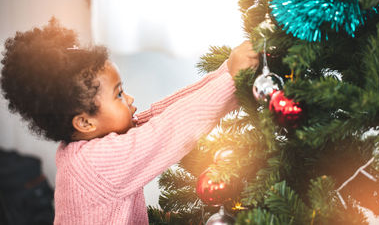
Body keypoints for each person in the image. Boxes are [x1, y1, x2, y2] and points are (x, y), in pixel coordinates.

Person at [0, 18, 259, 224]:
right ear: (85, 122)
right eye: (119, 94)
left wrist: (227, 72)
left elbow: (158, 117)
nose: (130, 98)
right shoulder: (96, 163)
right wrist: (231, 80)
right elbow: (169, 129)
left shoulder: (83, 147)